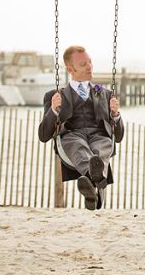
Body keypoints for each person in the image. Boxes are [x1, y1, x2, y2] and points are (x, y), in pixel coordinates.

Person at [38, 45, 124, 210]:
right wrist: (53, 110)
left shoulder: (103, 93)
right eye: (84, 64)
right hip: (72, 135)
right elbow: (43, 135)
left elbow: (118, 137)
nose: (89, 67)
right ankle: (96, 180)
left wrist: (115, 114)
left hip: (100, 136)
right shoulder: (55, 96)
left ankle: (91, 184)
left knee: (102, 146)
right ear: (70, 69)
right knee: (77, 145)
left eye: (90, 62)